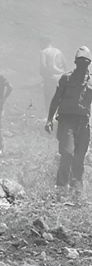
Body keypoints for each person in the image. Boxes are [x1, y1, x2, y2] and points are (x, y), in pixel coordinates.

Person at [46, 46, 92, 199]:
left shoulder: (91, 81)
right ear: (75, 62)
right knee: (67, 153)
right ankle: (60, 187)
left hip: (83, 123)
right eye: (80, 62)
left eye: (85, 62)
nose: (82, 65)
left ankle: (76, 190)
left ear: (89, 63)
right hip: (67, 122)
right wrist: (49, 119)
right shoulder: (66, 78)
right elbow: (56, 99)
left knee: (79, 157)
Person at [39, 37, 66, 113]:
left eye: (40, 43)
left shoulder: (43, 52)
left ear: (44, 42)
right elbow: (65, 64)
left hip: (50, 79)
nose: (40, 45)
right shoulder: (59, 51)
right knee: (58, 97)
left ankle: (49, 118)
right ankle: (58, 116)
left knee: (48, 98)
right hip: (60, 78)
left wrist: (43, 75)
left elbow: (43, 66)